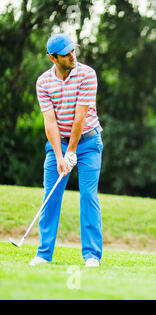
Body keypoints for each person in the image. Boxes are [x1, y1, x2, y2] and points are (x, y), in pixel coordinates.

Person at [29, 33, 103, 267]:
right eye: (66, 53)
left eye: (74, 51)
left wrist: (71, 152)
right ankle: (43, 254)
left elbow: (79, 118)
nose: (73, 56)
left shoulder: (87, 74)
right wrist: (60, 155)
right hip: (57, 144)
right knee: (51, 197)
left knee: (88, 196)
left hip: (89, 142)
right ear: (53, 58)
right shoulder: (43, 82)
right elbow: (50, 122)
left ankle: (91, 255)